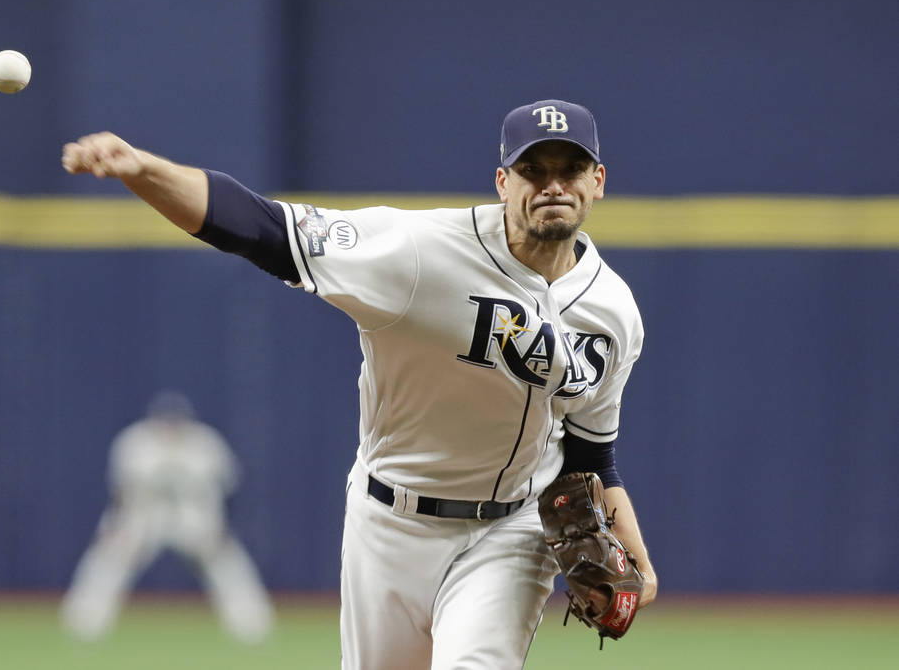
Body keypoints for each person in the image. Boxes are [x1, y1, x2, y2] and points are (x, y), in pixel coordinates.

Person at [62, 98, 658, 669]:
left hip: (512, 531)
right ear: (503, 182)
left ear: (597, 181)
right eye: (533, 169)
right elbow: (264, 227)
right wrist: (143, 169)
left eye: (570, 169)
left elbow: (591, 458)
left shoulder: (614, 312)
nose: (553, 184)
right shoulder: (420, 251)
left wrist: (639, 558)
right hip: (391, 520)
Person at [60, 390, 274, 643]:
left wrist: (221, 526)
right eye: (165, 421)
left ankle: (250, 622)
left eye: (175, 422)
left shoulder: (206, 443)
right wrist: (116, 526)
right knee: (110, 557)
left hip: (193, 514)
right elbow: (122, 491)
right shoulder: (135, 441)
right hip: (144, 515)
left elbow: (226, 489)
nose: (170, 427)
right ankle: (86, 619)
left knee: (226, 561)